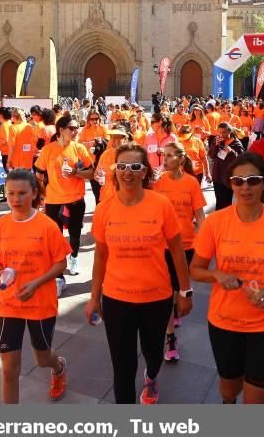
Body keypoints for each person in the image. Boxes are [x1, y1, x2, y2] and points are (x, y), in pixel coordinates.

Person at [191, 152, 264, 404]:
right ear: (230, 184)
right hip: (225, 322)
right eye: (238, 181)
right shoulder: (215, 223)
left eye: (253, 180)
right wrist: (216, 274)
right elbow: (195, 270)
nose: (245, 187)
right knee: (229, 390)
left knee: (256, 400)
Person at [86, 143, 192, 404]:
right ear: (115, 171)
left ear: (145, 172)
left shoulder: (161, 205)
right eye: (122, 166)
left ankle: (152, 376)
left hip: (156, 298)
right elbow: (100, 255)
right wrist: (93, 297)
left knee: (153, 354)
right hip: (116, 299)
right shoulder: (104, 209)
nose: (128, 172)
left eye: (135, 166)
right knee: (122, 368)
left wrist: (185, 291)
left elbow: (178, 252)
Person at [0, 169, 71, 403]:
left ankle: (58, 367)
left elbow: (60, 263)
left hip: (40, 303)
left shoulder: (47, 226)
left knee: (43, 359)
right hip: (9, 303)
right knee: (9, 367)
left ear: (34, 193)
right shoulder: (0, 226)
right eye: (10, 193)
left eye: (22, 193)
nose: (15, 199)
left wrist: (36, 283)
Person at [153, 141, 206, 363]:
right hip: (162, 246)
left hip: (186, 245)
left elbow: (200, 216)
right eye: (163, 155)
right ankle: (170, 337)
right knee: (165, 293)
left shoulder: (191, 183)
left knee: (177, 288)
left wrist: (204, 243)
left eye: (170, 156)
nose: (164, 159)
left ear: (181, 160)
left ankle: (175, 308)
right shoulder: (159, 182)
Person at [35, 116, 94, 280]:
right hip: (53, 200)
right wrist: (39, 196)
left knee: (75, 234)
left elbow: (91, 172)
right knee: (55, 237)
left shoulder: (79, 148)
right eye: (72, 128)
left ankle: (74, 259)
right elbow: (39, 173)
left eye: (77, 128)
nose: (76, 131)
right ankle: (58, 274)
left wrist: (76, 173)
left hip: (75, 200)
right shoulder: (48, 150)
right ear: (61, 130)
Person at [208, 122, 245, 211]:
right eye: (219, 132)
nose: (221, 135)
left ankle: (226, 222)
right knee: (219, 202)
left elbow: (241, 160)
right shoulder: (216, 140)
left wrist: (231, 152)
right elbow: (211, 155)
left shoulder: (236, 143)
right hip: (217, 176)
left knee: (226, 203)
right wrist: (215, 146)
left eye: (223, 133)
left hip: (228, 178)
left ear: (229, 132)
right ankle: (219, 222)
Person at [78, 108, 108, 204]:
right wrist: (92, 143)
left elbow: (108, 143)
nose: (95, 121)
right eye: (92, 119)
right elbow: (80, 144)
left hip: (103, 163)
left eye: (96, 118)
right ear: (88, 120)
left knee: (104, 189)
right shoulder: (85, 130)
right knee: (96, 190)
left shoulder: (103, 128)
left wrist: (101, 141)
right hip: (91, 164)